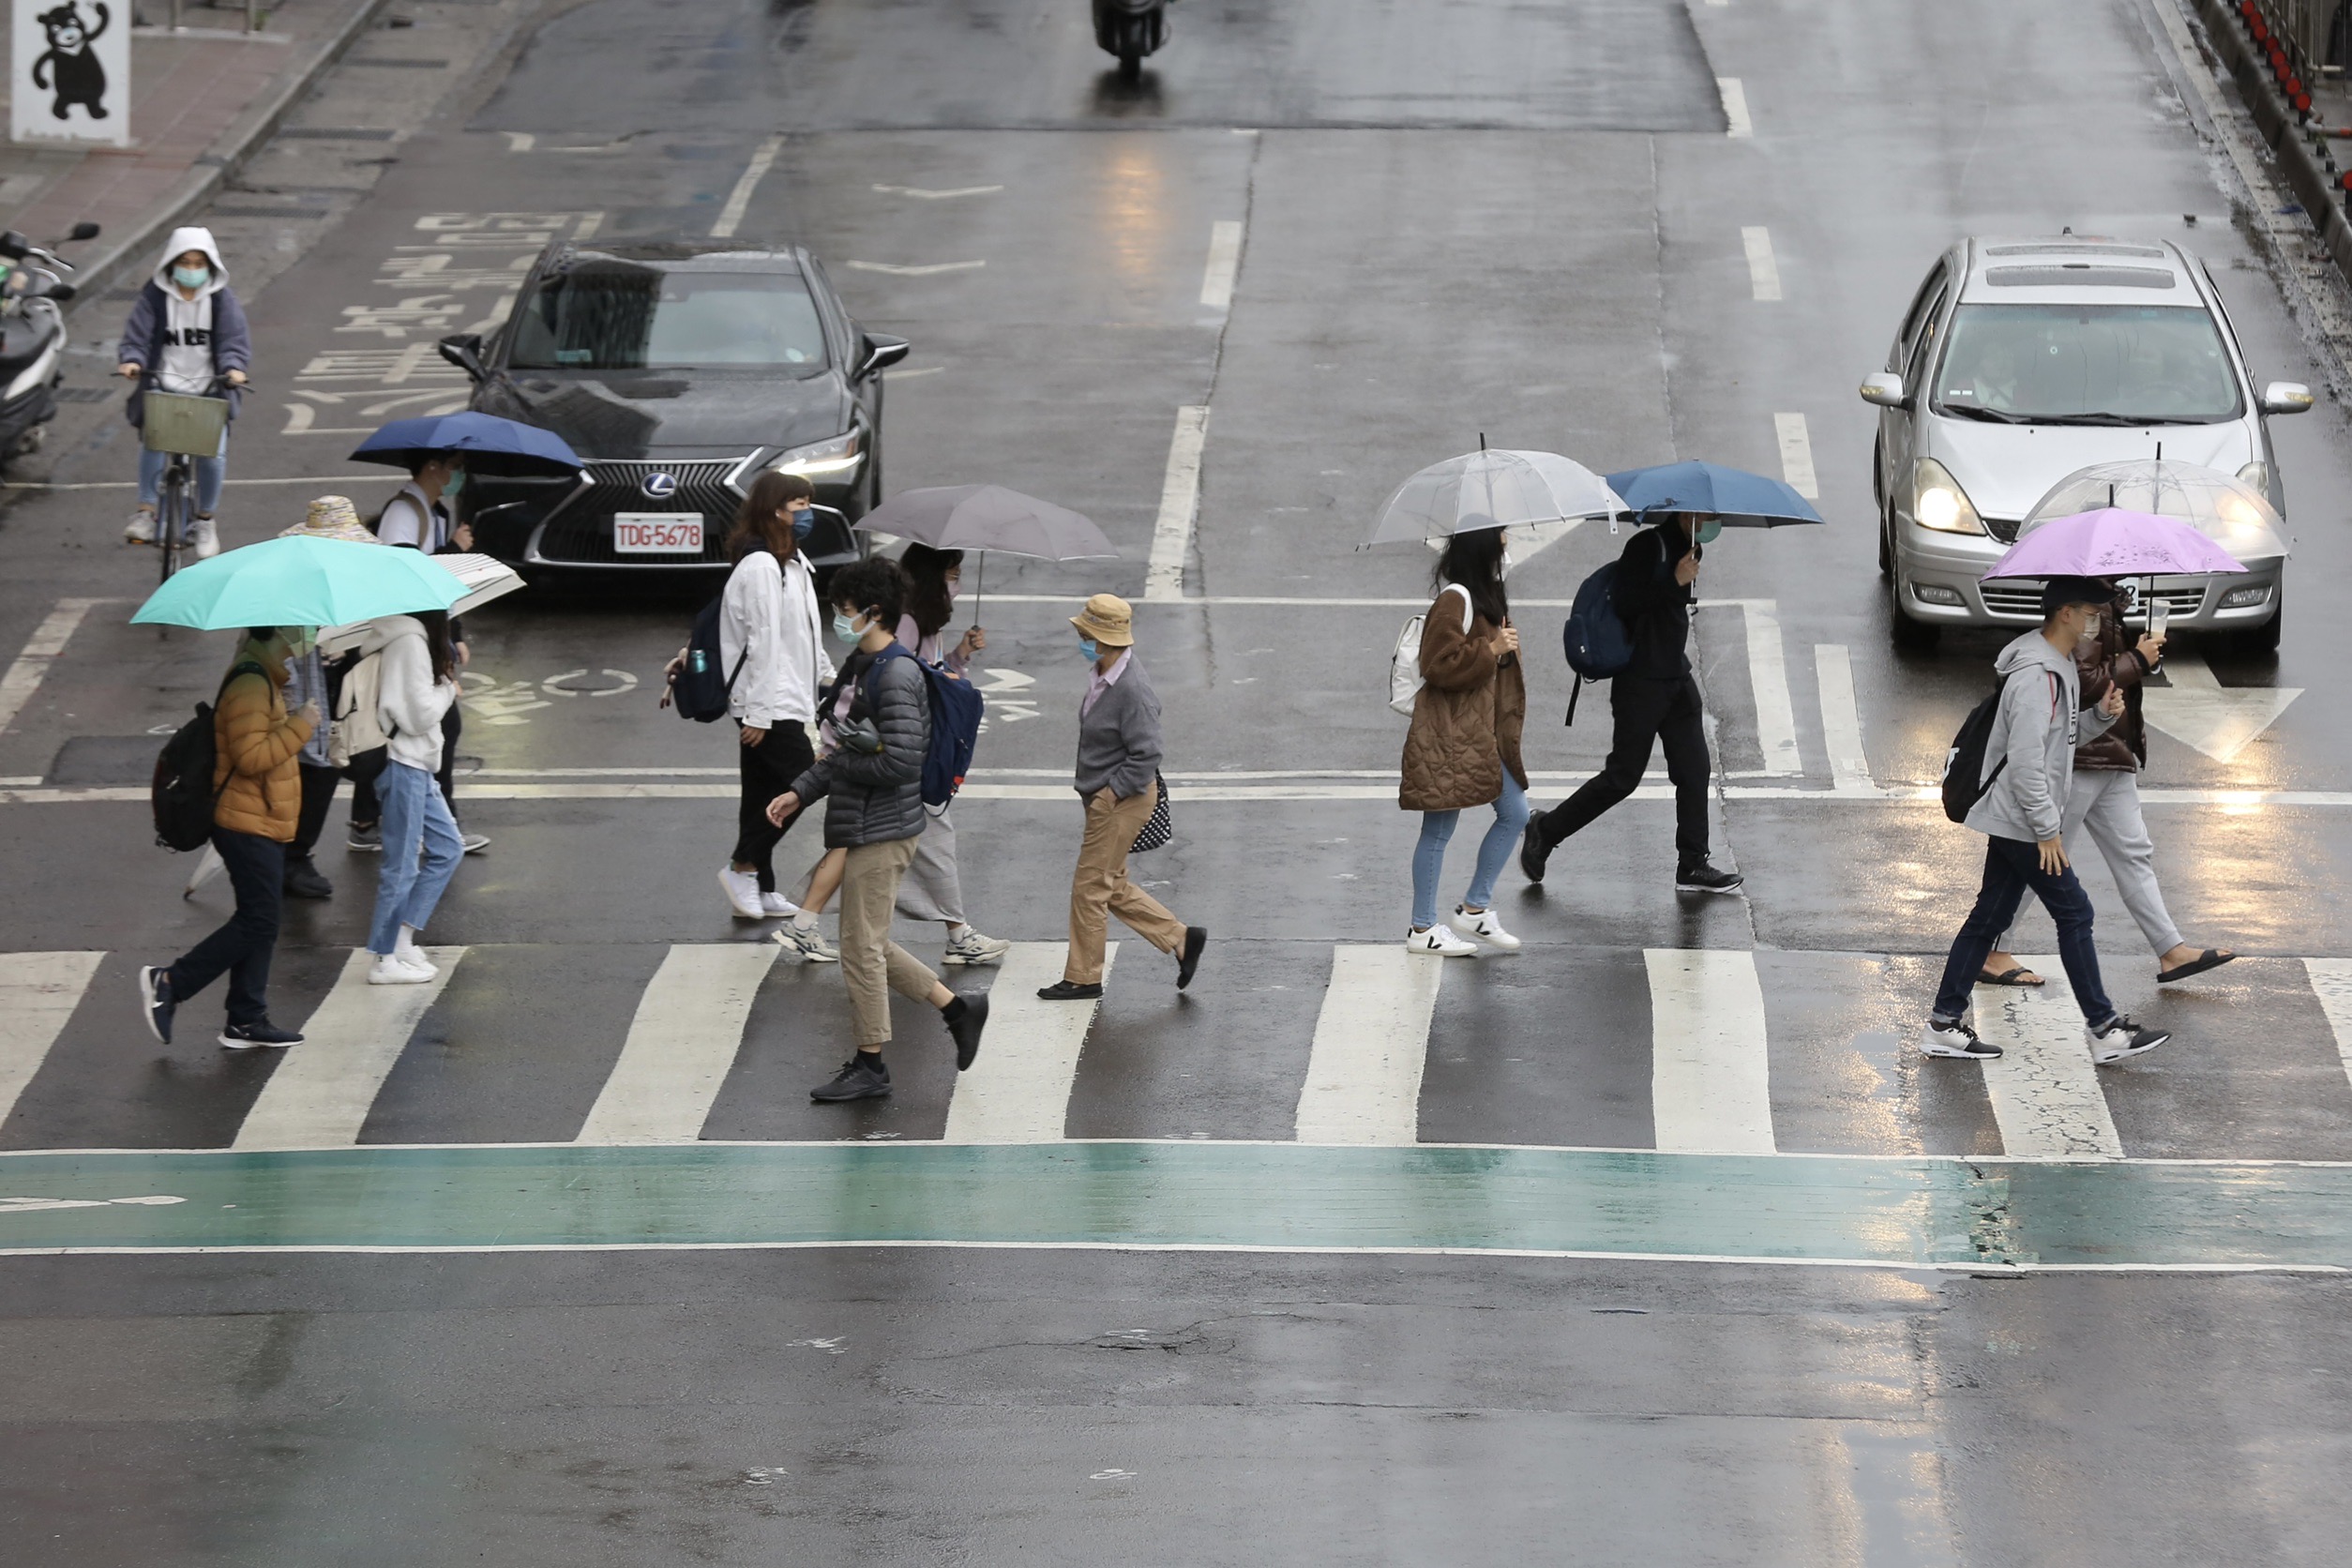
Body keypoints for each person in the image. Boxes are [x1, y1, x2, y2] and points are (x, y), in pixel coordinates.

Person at [1922, 577, 2172, 1065]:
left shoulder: (2056, 664)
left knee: (1988, 918)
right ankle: (2104, 1029)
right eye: (2091, 613)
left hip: (2018, 818)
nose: (2097, 622)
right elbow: (2026, 760)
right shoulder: (2036, 674)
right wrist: (2047, 830)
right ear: (2066, 614)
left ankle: (1944, 1024)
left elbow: (2059, 742)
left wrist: (2099, 716)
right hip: (2023, 821)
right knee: (2075, 912)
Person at [765, 558, 988, 1102]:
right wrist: (801, 789)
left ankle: (872, 1065)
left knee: (860, 949)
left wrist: (835, 771)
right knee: (866, 944)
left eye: (845, 612)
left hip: (884, 828)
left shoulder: (896, 674)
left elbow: (900, 764)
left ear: (874, 613)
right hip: (863, 821)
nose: (838, 620)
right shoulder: (861, 664)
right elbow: (843, 746)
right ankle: (958, 1009)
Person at [1979, 581, 2234, 989]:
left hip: (2113, 754)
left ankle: (2170, 949)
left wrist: (2136, 654)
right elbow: (2083, 683)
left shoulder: (2108, 607)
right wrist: (2137, 658)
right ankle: (1993, 949)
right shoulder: (2083, 615)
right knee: (2043, 860)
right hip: (2079, 761)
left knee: (2134, 853)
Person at [1520, 509, 1742, 895]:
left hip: (1675, 677)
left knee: (1694, 770)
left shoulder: (1690, 549)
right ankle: (1546, 829)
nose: (1713, 519)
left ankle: (1692, 863)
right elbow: (1626, 601)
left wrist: (1680, 581)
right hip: (1640, 681)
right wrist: (1674, 580)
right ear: (1687, 513)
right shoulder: (1646, 546)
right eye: (1708, 513)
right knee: (1622, 778)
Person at [137, 628, 315, 1048]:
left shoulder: (262, 677)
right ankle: (170, 982)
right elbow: (252, 759)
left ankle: (246, 1019)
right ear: (277, 634)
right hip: (246, 821)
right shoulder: (252, 682)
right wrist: (301, 726)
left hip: (260, 818)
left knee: (261, 921)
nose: (299, 646)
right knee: (259, 920)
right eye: (295, 636)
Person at [1036, 594, 1206, 1002]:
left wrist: (1110, 794)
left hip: (1121, 799)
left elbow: (1148, 752)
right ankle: (1181, 937)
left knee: (1090, 887)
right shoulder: (1104, 672)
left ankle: (1084, 976)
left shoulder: (1131, 688)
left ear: (1101, 637)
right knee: (1110, 884)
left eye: (1083, 633)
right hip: (1105, 795)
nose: (1079, 638)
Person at [348, 455, 490, 854]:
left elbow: (437, 590)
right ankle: (439, 828)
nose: (456, 475)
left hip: (423, 634)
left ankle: (368, 821)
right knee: (434, 723)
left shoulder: (432, 511)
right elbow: (406, 576)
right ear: (431, 467)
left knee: (395, 726)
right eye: (452, 466)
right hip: (403, 636)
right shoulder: (403, 513)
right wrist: (453, 549)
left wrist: (454, 633)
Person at [705, 471, 831, 921]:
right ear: (775, 509)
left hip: (786, 696)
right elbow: (762, 642)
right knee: (804, 784)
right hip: (767, 702)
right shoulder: (760, 566)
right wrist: (757, 714)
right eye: (799, 504)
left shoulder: (791, 562)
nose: (806, 513)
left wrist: (827, 679)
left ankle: (762, 885)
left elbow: (804, 635)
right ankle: (743, 864)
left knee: (762, 790)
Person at [1399, 524, 1529, 956]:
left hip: (1479, 732)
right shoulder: (1454, 598)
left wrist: (1499, 649)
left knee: (1515, 813)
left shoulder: (1486, 595)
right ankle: (1422, 930)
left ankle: (1474, 910)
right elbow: (1438, 664)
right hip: (1451, 734)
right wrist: (1489, 651)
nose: (1508, 542)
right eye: (1503, 534)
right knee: (1438, 829)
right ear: (1484, 544)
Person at [892, 543, 1010, 965]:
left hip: (921, 744)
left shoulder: (926, 622)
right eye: (952, 573)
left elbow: (938, 676)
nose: (956, 583)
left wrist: (961, 655)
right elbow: (899, 677)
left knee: (862, 845)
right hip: (913, 749)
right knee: (935, 837)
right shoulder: (908, 622)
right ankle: (959, 935)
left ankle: (805, 918)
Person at [275, 496, 384, 901]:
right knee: (308, 774)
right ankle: (290, 856)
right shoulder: (293, 585)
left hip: (322, 693)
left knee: (320, 773)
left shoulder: (332, 580)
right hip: (294, 695)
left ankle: (296, 854)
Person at [117, 227, 249, 559]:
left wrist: (234, 368)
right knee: (154, 441)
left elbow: (234, 341)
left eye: (198, 263)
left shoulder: (221, 300)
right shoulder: (155, 297)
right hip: (163, 383)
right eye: (185, 262)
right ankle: (146, 511)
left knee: (213, 453)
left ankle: (205, 519)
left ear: (210, 265)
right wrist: (131, 361)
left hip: (209, 387)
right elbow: (137, 336)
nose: (191, 270)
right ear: (171, 264)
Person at [358, 608, 465, 986]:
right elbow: (417, 716)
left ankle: (401, 941)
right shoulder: (409, 642)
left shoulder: (407, 639)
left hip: (416, 763)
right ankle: (384, 959)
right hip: (403, 762)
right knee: (400, 866)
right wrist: (447, 689)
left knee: (449, 848)